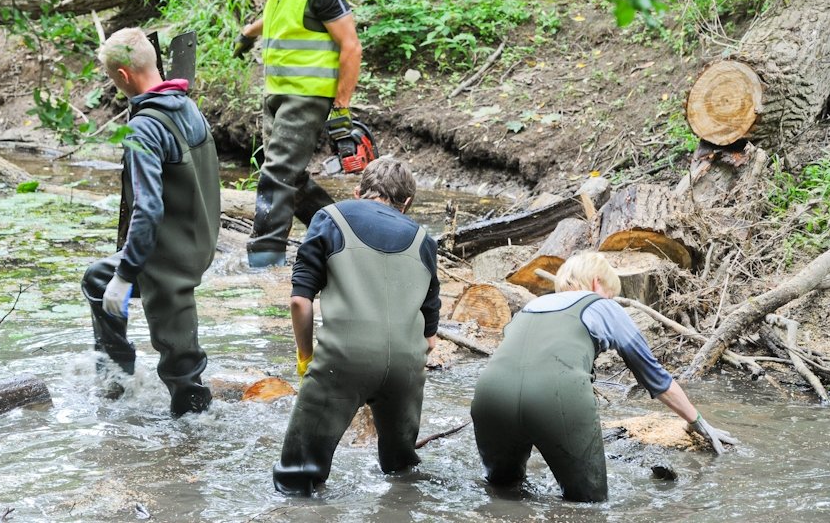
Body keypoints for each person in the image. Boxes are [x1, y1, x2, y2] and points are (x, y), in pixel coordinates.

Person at [470, 251, 738, 502]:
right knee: (589, 506)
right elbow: (653, 375)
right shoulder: (600, 305)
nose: (609, 301)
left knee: (503, 494)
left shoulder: (532, 306)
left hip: (489, 396)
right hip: (557, 397)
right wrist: (698, 421)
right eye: (610, 294)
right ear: (597, 284)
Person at [272, 157, 440, 496]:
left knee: (297, 478)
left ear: (358, 191)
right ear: (406, 203)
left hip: (343, 360)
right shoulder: (424, 239)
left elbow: (299, 302)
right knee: (401, 474)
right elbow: (430, 339)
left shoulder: (330, 218)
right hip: (406, 369)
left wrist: (306, 357)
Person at [81, 27, 220, 416]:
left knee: (182, 370)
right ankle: (117, 381)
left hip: (168, 258)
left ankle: (194, 439)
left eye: (113, 79)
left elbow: (148, 209)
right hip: (198, 240)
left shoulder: (144, 127)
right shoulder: (185, 104)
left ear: (123, 76)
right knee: (97, 280)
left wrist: (126, 275)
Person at [232, 0, 363, 268]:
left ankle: (262, 258)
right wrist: (249, 32)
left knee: (276, 174)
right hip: (277, 94)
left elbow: (350, 45)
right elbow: (277, 17)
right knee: (293, 178)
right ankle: (348, 235)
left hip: (307, 97)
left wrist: (341, 107)